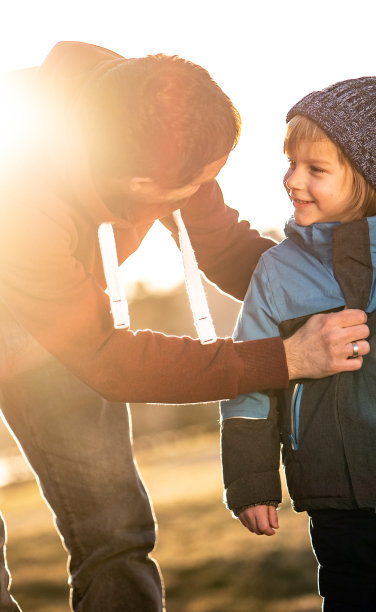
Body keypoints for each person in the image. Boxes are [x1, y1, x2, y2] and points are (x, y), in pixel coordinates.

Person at [0, 42, 369, 612]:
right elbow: (110, 361)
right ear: (140, 184)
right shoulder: (20, 192)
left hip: (60, 305)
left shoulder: (154, 116)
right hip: (40, 287)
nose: (204, 190)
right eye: (193, 184)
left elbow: (219, 243)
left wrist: (333, 290)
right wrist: (287, 357)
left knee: (114, 526)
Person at [220, 76, 376, 612]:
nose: (293, 181)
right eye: (290, 164)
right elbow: (249, 384)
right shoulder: (278, 273)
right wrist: (251, 480)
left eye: (316, 169)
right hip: (337, 497)